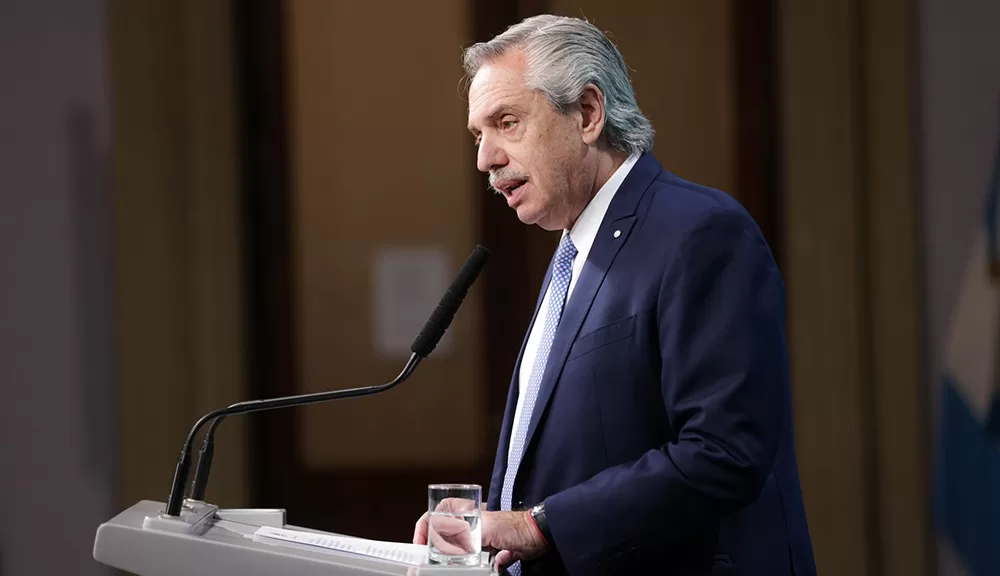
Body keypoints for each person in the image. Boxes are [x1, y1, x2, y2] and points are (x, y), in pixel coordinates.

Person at [414, 14, 815, 576]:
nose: (486, 159)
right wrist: (497, 520)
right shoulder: (573, 250)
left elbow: (724, 451)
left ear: (587, 113)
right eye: (479, 135)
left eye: (507, 123)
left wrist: (540, 525)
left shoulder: (701, 232)